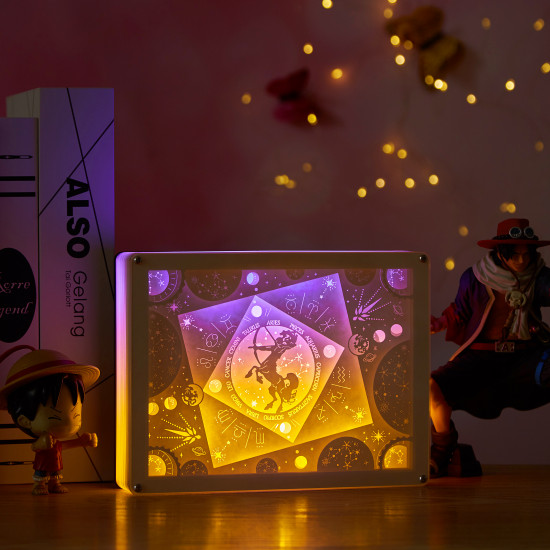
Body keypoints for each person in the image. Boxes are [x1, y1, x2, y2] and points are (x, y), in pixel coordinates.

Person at [430, 218, 550, 477]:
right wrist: (438, 323)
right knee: (432, 387)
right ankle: (442, 449)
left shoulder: (539, 275)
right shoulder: (475, 277)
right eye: (514, 255)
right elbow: (460, 311)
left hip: (526, 357)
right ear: (500, 252)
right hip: (482, 357)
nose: (521, 261)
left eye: (526, 254)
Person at [0, 345, 100, 495]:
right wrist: (41, 443)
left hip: (55, 464)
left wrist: (82, 442)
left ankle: (54, 484)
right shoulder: (44, 441)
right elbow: (34, 447)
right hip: (42, 464)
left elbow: (63, 446)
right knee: (41, 474)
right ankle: (39, 484)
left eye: (76, 414)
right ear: (24, 421)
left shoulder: (53, 441)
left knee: (55, 474)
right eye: (54, 416)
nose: (69, 422)